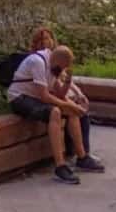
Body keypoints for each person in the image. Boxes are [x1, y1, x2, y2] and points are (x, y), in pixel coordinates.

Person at [6, 27, 101, 184]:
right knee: (55, 112)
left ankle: (82, 156)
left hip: (35, 97)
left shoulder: (53, 64)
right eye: (63, 67)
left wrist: (69, 84)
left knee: (71, 111)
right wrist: (67, 105)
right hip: (20, 98)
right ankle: (60, 165)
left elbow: (60, 93)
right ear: (57, 62)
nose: (62, 70)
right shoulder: (38, 61)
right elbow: (44, 95)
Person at [50, 44, 105, 174]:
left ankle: (84, 154)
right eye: (67, 64)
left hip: (64, 97)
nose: (68, 67)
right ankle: (75, 156)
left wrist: (78, 94)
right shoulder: (47, 66)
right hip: (51, 99)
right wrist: (71, 104)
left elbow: (66, 88)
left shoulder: (57, 68)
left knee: (80, 115)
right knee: (72, 112)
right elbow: (54, 94)